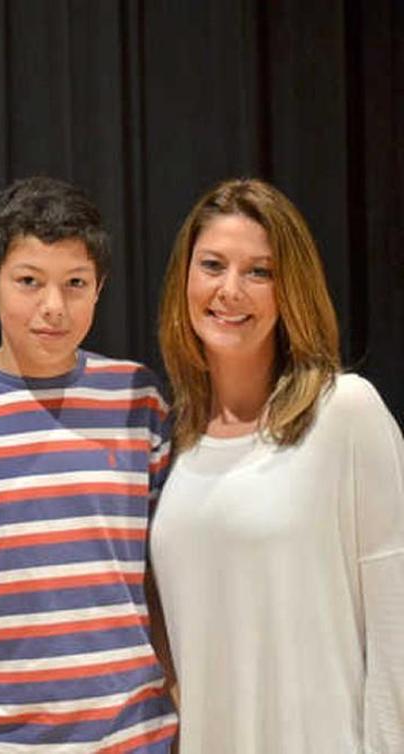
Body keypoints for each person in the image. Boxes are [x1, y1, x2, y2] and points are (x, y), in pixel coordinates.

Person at [150, 178, 404, 753]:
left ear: (291, 288)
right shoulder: (176, 442)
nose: (230, 290)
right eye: (212, 265)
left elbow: (398, 628)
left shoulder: (345, 412)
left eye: (259, 272)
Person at [0, 177, 179, 752]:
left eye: (75, 284)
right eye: (29, 282)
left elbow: (165, 574)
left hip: (132, 733)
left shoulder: (137, 398)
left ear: (101, 287)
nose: (53, 307)